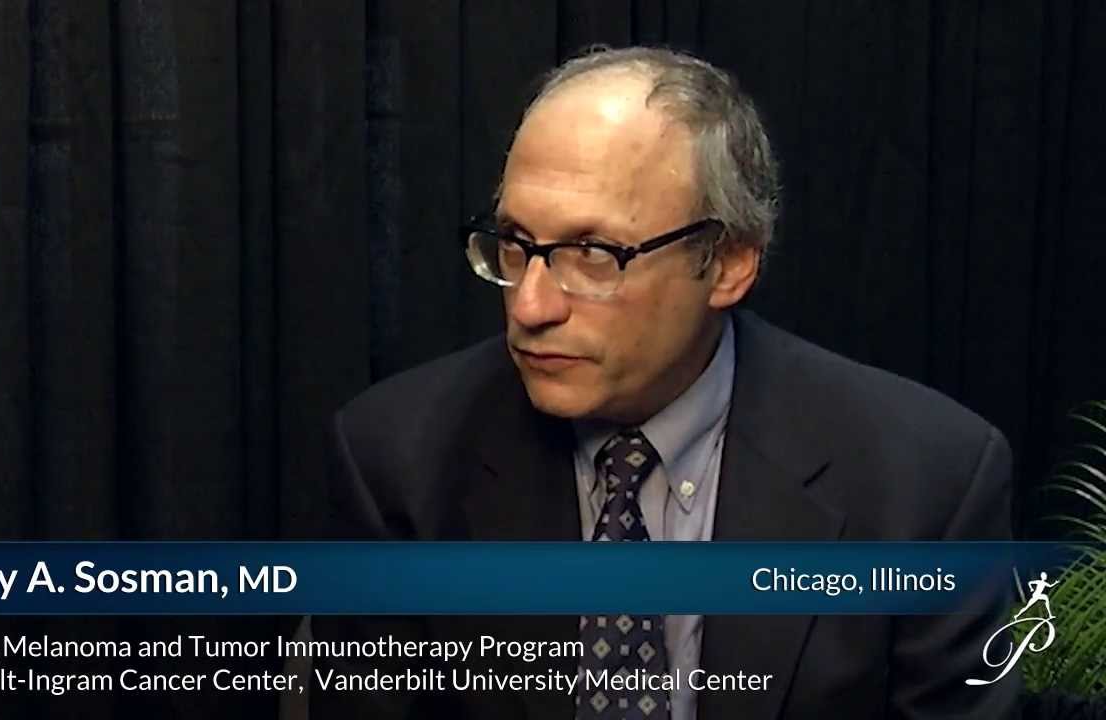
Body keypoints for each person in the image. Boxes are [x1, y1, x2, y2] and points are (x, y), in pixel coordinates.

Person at [311, 46, 1019, 719]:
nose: (530, 306)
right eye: (515, 245)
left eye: (592, 253)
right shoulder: (398, 461)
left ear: (728, 263)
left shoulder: (924, 485)